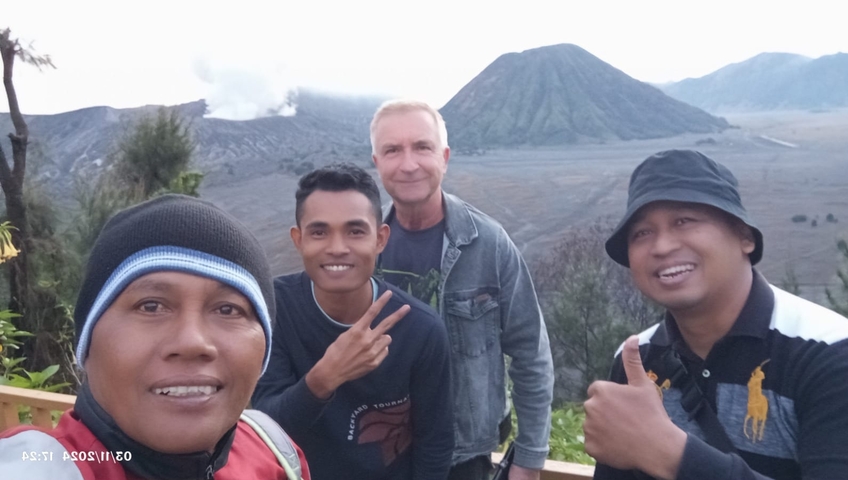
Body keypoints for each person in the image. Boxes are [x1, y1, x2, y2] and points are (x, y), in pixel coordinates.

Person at [584, 149, 848, 480]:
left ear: (745, 237)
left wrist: (673, 455)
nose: (662, 246)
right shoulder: (637, 359)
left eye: (684, 221)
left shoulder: (831, 356)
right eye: (641, 233)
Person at [0, 194, 310, 480]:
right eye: (151, 306)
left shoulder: (275, 453)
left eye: (228, 310)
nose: (192, 342)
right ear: (87, 344)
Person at [370, 100, 554, 480]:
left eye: (422, 147)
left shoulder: (488, 243)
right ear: (376, 162)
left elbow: (531, 355)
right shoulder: (363, 246)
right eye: (392, 150)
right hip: (378, 455)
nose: (408, 164)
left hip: (464, 459)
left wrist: (530, 460)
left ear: (445, 157)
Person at [251, 163, 453, 480]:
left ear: (380, 238)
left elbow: (435, 445)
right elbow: (261, 432)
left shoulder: (421, 330)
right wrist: (325, 377)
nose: (337, 248)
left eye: (355, 231)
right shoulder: (273, 310)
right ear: (298, 239)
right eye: (319, 232)